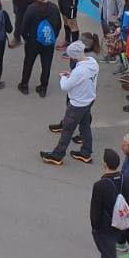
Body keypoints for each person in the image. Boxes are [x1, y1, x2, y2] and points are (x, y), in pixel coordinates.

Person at [41, 35, 100, 166]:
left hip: (77, 104)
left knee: (67, 129)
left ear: (73, 56)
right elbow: (81, 79)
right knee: (85, 126)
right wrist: (71, 76)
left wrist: (63, 77)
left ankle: (57, 155)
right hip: (89, 100)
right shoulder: (92, 63)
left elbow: (65, 86)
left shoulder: (79, 71)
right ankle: (86, 152)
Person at [89, 148, 129, 258]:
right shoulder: (126, 179)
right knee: (108, 248)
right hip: (120, 223)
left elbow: (95, 210)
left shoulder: (100, 185)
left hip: (105, 226)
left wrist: (94, 226)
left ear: (105, 164)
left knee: (109, 254)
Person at [19, 0, 62, 97]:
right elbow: (58, 25)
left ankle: (24, 85)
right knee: (46, 65)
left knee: (28, 63)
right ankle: (43, 88)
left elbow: (24, 26)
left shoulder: (32, 8)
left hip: (33, 42)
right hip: (48, 42)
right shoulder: (54, 8)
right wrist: (53, 37)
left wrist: (26, 39)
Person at [98, 0, 124, 66]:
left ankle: (122, 63)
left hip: (114, 22)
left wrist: (119, 22)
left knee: (118, 43)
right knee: (108, 39)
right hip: (104, 19)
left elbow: (121, 9)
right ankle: (111, 55)